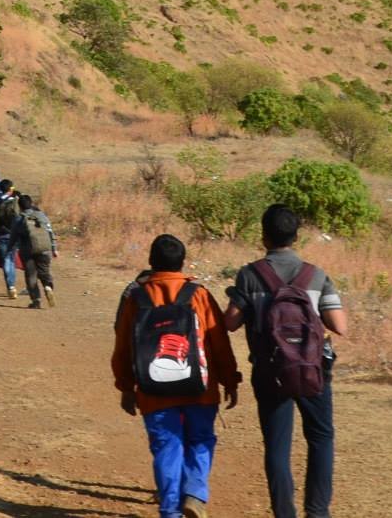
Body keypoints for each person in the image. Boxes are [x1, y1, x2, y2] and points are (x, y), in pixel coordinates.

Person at [223, 204, 347, 518]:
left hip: (270, 371)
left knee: (277, 445)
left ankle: (284, 512)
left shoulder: (250, 275)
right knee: (320, 436)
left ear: (264, 235)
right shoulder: (316, 275)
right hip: (313, 369)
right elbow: (340, 326)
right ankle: (318, 512)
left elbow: (230, 323)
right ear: (296, 237)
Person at [112, 233, 240, 518]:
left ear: (151, 262)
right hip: (200, 388)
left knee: (167, 447)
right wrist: (230, 380)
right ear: (182, 263)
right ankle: (195, 493)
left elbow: (123, 345)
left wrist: (126, 387)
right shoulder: (199, 294)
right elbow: (219, 341)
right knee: (201, 439)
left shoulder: (136, 296)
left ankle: (170, 510)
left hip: (152, 389)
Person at [15, 193, 57, 308]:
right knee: (44, 271)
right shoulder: (41, 216)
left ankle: (36, 300)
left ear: (20, 207)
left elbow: (14, 237)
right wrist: (54, 248)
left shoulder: (19, 219)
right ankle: (48, 286)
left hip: (27, 251)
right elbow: (50, 232)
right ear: (31, 204)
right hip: (44, 248)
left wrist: (10, 250)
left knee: (31, 276)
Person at [0, 184, 23, 298]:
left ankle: (11, 286)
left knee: (6, 260)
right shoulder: (15, 202)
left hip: (1, 236)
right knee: (12, 260)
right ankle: (12, 285)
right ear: (9, 190)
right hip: (13, 235)